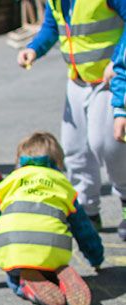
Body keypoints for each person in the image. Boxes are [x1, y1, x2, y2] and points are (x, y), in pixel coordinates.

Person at [0, 132, 103, 305]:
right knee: (50, 255)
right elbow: (84, 230)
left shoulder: (7, 184)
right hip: (54, 250)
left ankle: (23, 283)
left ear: (20, 161)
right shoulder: (62, 185)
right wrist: (96, 258)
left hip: (15, 251)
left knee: (14, 273)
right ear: (57, 161)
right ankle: (56, 274)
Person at [19, 0, 126, 238]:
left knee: (107, 145)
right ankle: (87, 212)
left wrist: (117, 61)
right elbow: (51, 27)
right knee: (75, 149)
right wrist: (34, 48)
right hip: (77, 80)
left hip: (109, 80)